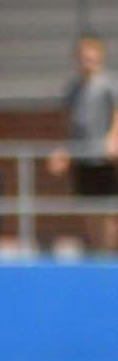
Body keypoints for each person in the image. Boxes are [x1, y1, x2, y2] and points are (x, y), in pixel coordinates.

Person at [47, 33, 118, 252]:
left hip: (103, 158)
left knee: (108, 208)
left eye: (92, 57)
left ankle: (109, 255)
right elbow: (67, 120)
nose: (88, 62)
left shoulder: (107, 85)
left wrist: (113, 139)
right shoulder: (74, 88)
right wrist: (64, 149)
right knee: (89, 207)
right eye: (84, 57)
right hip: (82, 156)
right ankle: (98, 251)